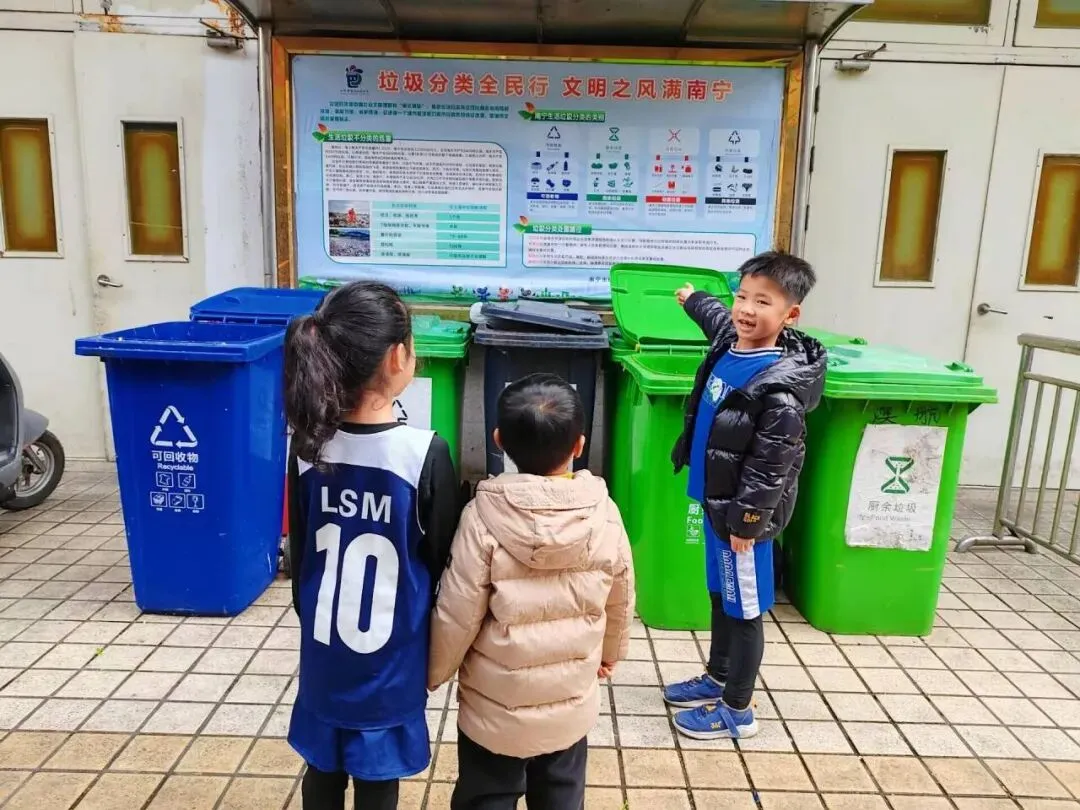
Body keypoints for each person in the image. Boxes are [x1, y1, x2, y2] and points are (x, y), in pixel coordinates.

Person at [283, 281, 462, 810]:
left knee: (322, 768)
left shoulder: (308, 444)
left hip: (324, 653)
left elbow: (301, 551)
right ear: (396, 357)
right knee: (377, 780)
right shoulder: (423, 453)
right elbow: (443, 561)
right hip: (391, 661)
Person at [427, 373, 635, 810]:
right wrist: (610, 652)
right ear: (579, 445)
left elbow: (457, 610)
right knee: (561, 796)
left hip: (495, 708)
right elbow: (620, 594)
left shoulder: (481, 516)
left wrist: (434, 672)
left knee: (486, 796)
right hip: (568, 705)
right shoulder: (604, 513)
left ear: (498, 440)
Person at [663, 252, 826, 740]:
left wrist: (748, 523)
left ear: (790, 314)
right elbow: (716, 316)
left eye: (763, 302)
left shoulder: (779, 389)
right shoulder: (729, 343)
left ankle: (738, 709)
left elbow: (771, 466)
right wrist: (693, 298)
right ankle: (717, 676)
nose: (746, 309)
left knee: (745, 610)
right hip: (716, 505)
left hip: (742, 520)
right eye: (742, 296)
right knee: (721, 596)